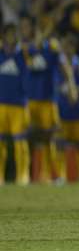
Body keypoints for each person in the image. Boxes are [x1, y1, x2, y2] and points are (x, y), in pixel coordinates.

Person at [19, 14, 78, 184]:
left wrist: (72, 86)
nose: (23, 31)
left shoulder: (52, 47)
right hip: (28, 100)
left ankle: (58, 175)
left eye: (26, 27)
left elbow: (64, 66)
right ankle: (25, 176)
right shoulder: (21, 48)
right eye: (21, 27)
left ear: (34, 28)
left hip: (48, 101)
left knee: (52, 138)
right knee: (25, 137)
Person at [57, 33, 79, 184]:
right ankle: (61, 176)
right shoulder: (58, 66)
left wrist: (73, 90)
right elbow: (55, 84)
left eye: (68, 46)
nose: (66, 49)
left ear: (73, 47)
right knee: (60, 144)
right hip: (63, 110)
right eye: (64, 46)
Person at [0, 23, 31, 185]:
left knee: (20, 141)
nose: (12, 37)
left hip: (19, 104)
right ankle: (0, 177)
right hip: (1, 104)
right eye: (9, 34)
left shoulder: (23, 53)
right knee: (1, 142)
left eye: (14, 33)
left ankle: (23, 175)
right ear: (4, 36)